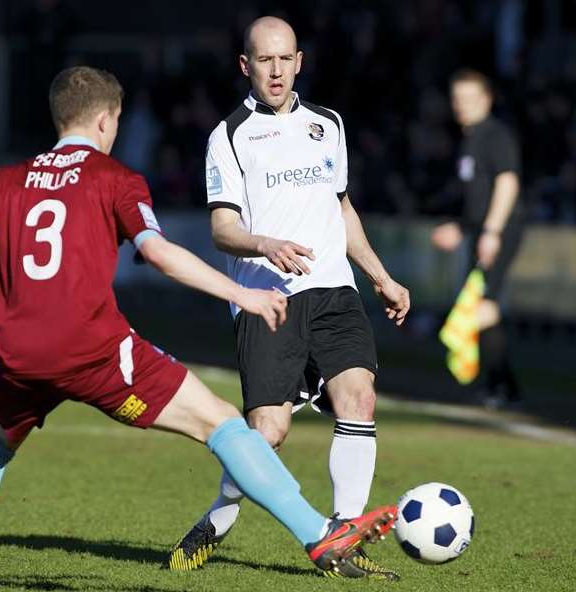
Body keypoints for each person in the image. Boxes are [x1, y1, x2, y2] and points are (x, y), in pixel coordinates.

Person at [0, 66, 399, 591]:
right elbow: (164, 255)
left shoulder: (10, 179)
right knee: (223, 423)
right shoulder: (114, 179)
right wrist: (241, 292)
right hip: (93, 350)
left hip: (19, 351)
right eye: (117, 121)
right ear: (105, 119)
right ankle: (320, 533)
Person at [168, 17, 409, 581]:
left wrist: (380, 274)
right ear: (245, 66)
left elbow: (341, 208)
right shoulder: (228, 136)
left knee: (359, 398)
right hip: (266, 299)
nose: (275, 71)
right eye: (264, 60)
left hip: (333, 291)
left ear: (299, 61)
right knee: (268, 433)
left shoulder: (328, 124)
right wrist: (265, 243)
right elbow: (222, 230)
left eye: (285, 59)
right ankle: (221, 514)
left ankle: (344, 535)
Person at [431, 69, 525, 408]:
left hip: (500, 231)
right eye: (457, 99)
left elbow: (508, 182)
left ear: (486, 100)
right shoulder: (470, 139)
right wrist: (461, 228)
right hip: (483, 232)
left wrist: (492, 232)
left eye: (469, 99)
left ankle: (500, 385)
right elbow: (476, 199)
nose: (461, 106)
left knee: (484, 307)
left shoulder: (495, 135)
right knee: (483, 305)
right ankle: (503, 385)